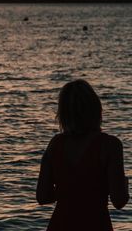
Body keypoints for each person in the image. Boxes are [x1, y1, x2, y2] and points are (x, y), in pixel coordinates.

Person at [37, 79, 129, 230]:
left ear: (63, 113)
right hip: (96, 224)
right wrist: (124, 184)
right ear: (96, 109)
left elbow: (42, 197)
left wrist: (68, 191)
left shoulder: (55, 144)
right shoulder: (110, 145)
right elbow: (119, 201)